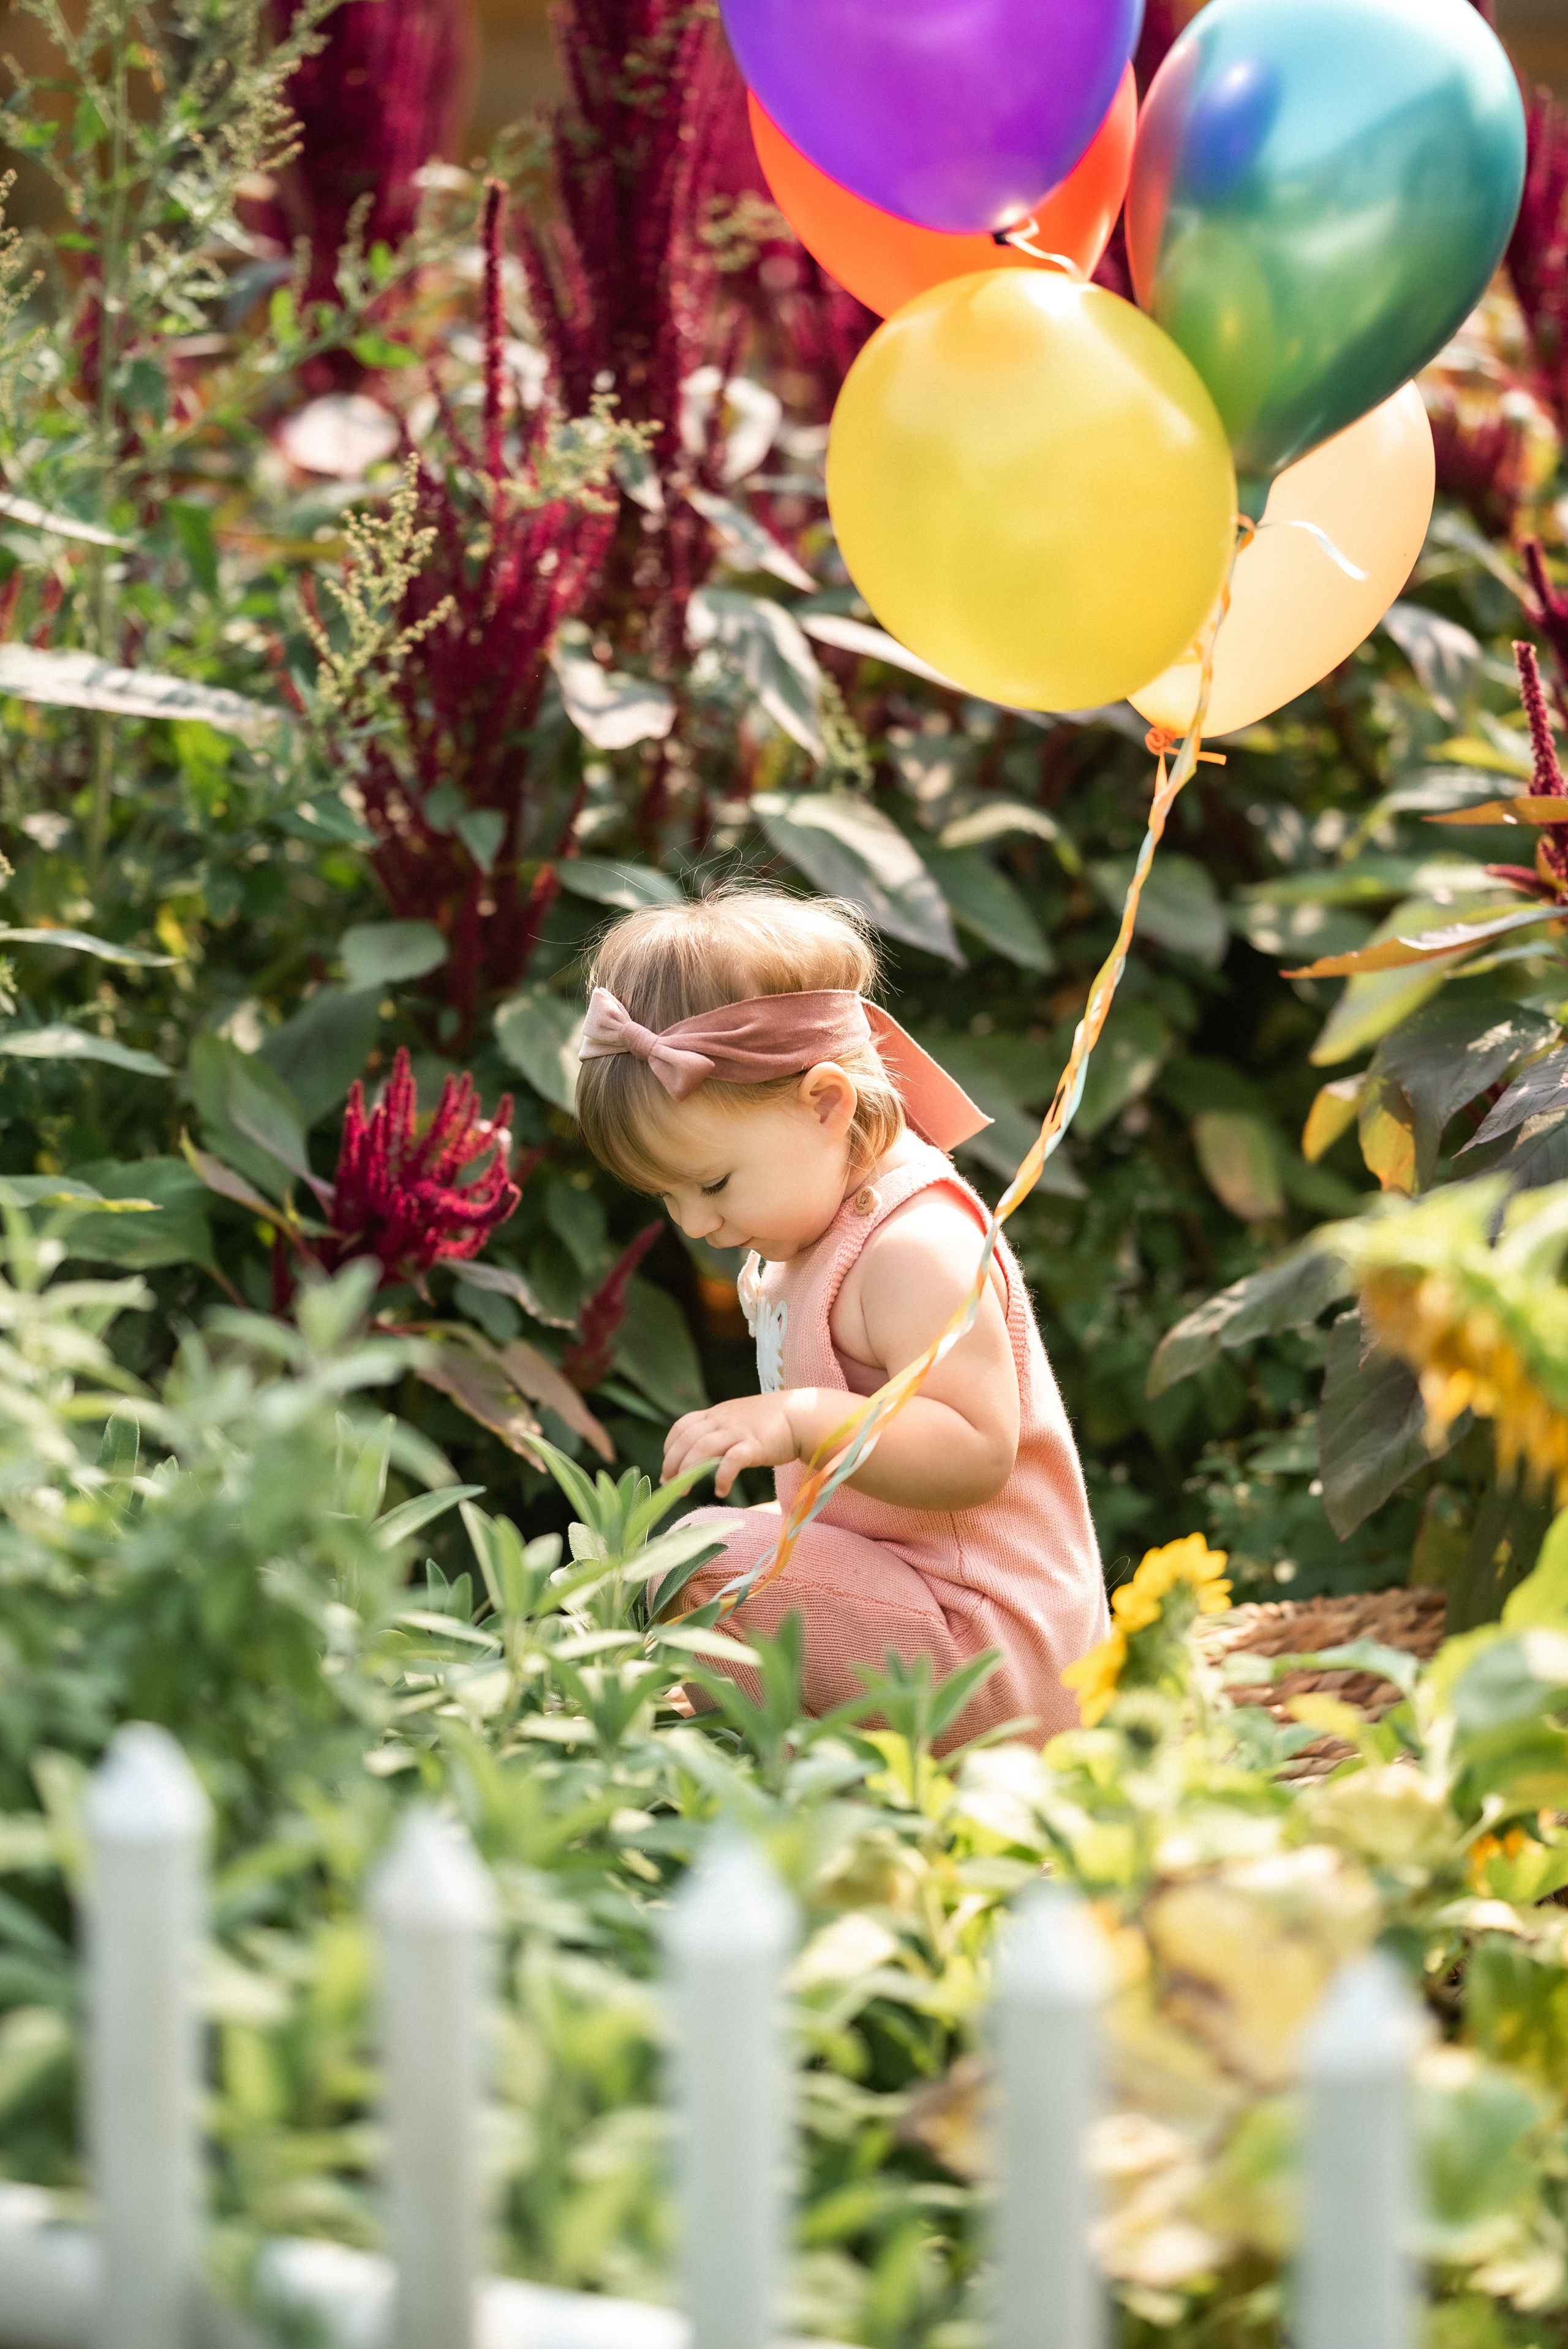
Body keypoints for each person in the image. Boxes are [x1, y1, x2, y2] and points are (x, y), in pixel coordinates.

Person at [573, 883, 1107, 1749]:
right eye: (667, 1196)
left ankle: (777, 1772)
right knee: (699, 1556)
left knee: (701, 1557)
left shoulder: (914, 1248)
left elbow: (977, 1452)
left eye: (711, 1183)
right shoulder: (818, 1224)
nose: (695, 1224)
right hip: (921, 1614)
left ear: (826, 1103)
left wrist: (801, 1418)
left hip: (992, 1649)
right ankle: (802, 1757)